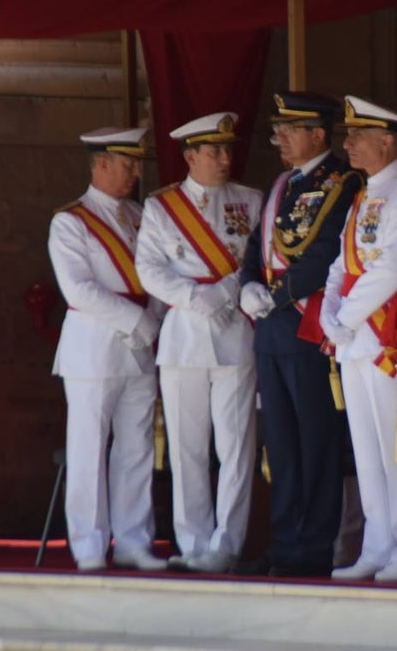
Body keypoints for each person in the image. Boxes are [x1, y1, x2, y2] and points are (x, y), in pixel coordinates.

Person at [237, 92, 363, 578]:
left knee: (315, 443)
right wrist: (248, 284)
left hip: (309, 330)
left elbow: (327, 253)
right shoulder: (282, 183)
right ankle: (284, 542)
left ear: (317, 133)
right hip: (271, 334)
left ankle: (313, 547)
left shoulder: (343, 181)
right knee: (282, 446)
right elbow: (257, 243)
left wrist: (278, 294)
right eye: (278, 130)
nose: (280, 140)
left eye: (289, 131)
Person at [135, 112, 262, 574]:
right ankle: (192, 543)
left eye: (227, 150)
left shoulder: (251, 200)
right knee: (186, 447)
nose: (225, 159)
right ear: (190, 156)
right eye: (214, 151)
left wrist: (223, 293)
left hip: (234, 334)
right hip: (185, 337)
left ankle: (227, 543)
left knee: (236, 446)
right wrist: (193, 297)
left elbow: (257, 262)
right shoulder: (161, 207)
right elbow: (148, 268)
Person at [48, 127, 167, 572]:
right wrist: (140, 320)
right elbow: (79, 289)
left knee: (136, 446)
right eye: (127, 164)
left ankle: (134, 541)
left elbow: (155, 273)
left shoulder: (141, 216)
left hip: (139, 348)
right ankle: (89, 545)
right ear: (100, 164)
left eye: (137, 164)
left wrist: (152, 319)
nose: (135, 173)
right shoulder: (70, 221)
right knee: (88, 447)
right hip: (95, 349)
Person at [320, 96, 397, 583]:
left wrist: (346, 317)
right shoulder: (362, 193)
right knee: (366, 445)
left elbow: (393, 267)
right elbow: (342, 263)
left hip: (387, 332)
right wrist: (329, 312)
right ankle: (377, 543)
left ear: (387, 141)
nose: (349, 144)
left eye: (358, 136)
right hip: (355, 334)